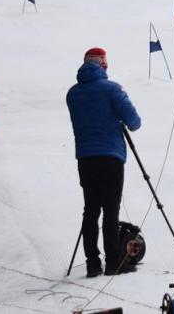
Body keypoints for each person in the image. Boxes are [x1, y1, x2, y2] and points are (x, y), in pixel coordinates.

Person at [66, 47, 142, 277]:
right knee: (110, 210)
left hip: (85, 159)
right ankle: (113, 263)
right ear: (103, 65)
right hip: (111, 157)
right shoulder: (112, 89)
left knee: (91, 210)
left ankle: (92, 263)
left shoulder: (72, 94)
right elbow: (134, 121)